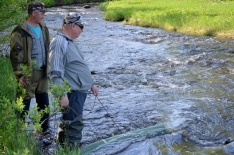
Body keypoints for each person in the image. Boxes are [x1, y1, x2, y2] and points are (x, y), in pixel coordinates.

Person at [48, 12, 98, 147]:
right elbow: (55, 71)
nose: (82, 30)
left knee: (68, 124)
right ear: (73, 26)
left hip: (78, 91)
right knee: (74, 125)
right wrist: (61, 95)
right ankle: (72, 150)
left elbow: (78, 65)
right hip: (72, 92)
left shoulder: (69, 42)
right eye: (81, 27)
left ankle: (64, 150)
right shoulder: (59, 42)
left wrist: (91, 84)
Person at [10, 2, 50, 133]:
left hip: (43, 73)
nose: (43, 16)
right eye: (42, 13)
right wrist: (20, 75)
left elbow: (48, 48)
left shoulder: (44, 27)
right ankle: (19, 135)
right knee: (23, 107)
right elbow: (15, 56)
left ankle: (44, 133)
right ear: (34, 13)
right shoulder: (19, 31)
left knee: (44, 106)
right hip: (27, 75)